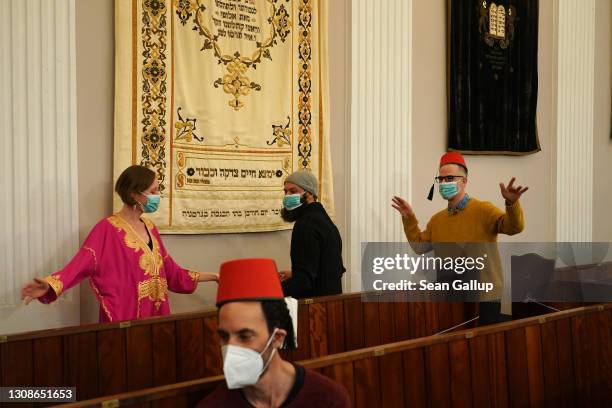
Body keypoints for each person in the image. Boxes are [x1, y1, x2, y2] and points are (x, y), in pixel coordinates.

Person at [21, 165, 218, 322]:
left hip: (157, 321)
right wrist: (51, 285)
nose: (158, 196)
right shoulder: (106, 229)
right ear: (135, 194)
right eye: (153, 191)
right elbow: (79, 264)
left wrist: (214, 276)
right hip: (123, 322)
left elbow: (172, 273)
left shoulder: (150, 227)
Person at [391, 152, 528, 324]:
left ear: (464, 181)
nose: (444, 183)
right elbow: (419, 247)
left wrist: (511, 204)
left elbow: (514, 227)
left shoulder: (483, 210)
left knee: (482, 347)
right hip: (451, 296)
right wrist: (408, 217)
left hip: (484, 297)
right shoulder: (437, 220)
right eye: (440, 179)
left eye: (449, 178)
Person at [197, 258, 350, 408]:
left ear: (277, 338)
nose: (231, 348)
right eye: (224, 336)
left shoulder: (328, 399)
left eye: (245, 336)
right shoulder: (214, 404)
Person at [279, 170, 345, 298]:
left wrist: (269, 292)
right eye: (285, 191)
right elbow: (328, 268)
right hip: (331, 304)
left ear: (309, 194)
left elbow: (303, 282)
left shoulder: (306, 224)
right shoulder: (324, 220)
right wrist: (295, 274)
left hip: (315, 309)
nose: (287, 196)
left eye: (293, 191)